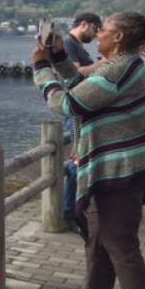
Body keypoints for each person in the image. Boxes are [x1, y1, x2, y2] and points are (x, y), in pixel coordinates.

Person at [32, 12, 145, 289]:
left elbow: (69, 104)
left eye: (104, 30)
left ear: (118, 37)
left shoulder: (122, 68)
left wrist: (40, 66)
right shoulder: (128, 65)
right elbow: (82, 85)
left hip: (118, 171)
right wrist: (60, 57)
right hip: (118, 168)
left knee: (121, 245)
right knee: (98, 241)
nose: (99, 35)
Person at [61, 13, 103, 231]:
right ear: (84, 24)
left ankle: (73, 209)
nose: (96, 35)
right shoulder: (69, 43)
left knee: (78, 160)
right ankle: (69, 211)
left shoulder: (76, 44)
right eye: (95, 29)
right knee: (77, 162)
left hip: (81, 107)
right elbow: (73, 73)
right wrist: (102, 65)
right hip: (75, 108)